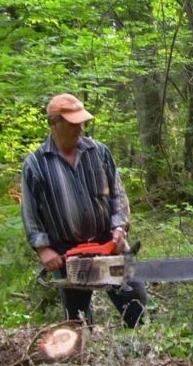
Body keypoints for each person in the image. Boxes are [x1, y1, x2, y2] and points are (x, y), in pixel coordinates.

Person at [20, 93, 147, 328]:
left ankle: (141, 345)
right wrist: (43, 249)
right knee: (77, 318)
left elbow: (118, 194)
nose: (78, 129)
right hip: (67, 248)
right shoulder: (35, 164)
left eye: (81, 123)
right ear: (53, 123)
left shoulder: (98, 152)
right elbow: (30, 212)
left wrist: (119, 227)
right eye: (72, 124)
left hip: (106, 240)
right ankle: (82, 352)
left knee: (134, 300)